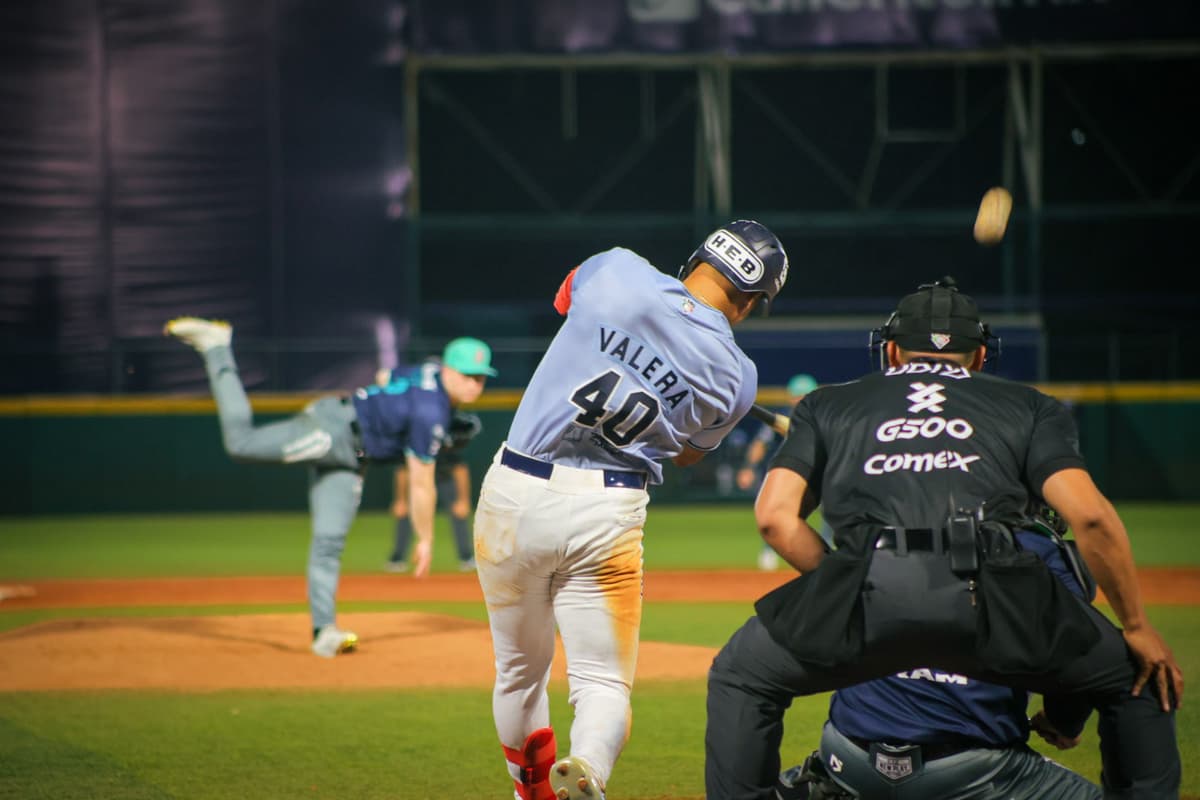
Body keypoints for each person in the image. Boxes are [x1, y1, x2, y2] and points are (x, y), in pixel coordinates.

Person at [704, 276, 1183, 800]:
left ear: (890, 351)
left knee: (740, 674)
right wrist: (1137, 627)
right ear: (979, 355)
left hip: (872, 596)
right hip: (990, 597)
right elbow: (1091, 519)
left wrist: (848, 581)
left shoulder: (829, 404)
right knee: (1139, 679)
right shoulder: (1030, 406)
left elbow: (775, 519)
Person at [473, 220, 789, 800]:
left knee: (519, 674)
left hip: (516, 491)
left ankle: (529, 793)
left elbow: (564, 302)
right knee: (602, 682)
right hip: (609, 508)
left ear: (698, 257)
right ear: (751, 302)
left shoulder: (618, 268)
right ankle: (589, 765)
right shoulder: (737, 376)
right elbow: (689, 454)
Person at [164, 317, 495, 657]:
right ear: (448, 371)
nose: (475, 384)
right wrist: (425, 539)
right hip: (334, 431)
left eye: (481, 377)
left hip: (352, 457)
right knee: (242, 443)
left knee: (328, 542)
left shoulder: (427, 372)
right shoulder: (430, 412)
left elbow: (386, 377)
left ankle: (324, 632)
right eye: (468, 376)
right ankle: (217, 347)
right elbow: (421, 483)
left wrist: (393, 418)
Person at [774, 505, 1103, 800]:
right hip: (975, 769)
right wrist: (1065, 721)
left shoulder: (882, 531)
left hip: (847, 757)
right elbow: (1079, 665)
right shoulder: (1039, 552)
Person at [735, 373, 818, 571]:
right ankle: (769, 551)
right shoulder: (783, 416)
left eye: (804, 396)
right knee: (775, 513)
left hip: (817, 476)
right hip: (786, 475)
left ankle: (826, 553)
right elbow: (760, 444)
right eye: (797, 396)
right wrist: (748, 468)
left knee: (830, 513)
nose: (800, 400)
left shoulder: (823, 419)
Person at [384, 409, 483, 573]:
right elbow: (403, 471)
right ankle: (397, 558)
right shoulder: (415, 438)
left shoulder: (446, 439)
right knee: (406, 514)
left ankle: (466, 557)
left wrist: (463, 500)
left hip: (444, 479)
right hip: (419, 479)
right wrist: (400, 500)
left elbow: (460, 470)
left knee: (458, 514)